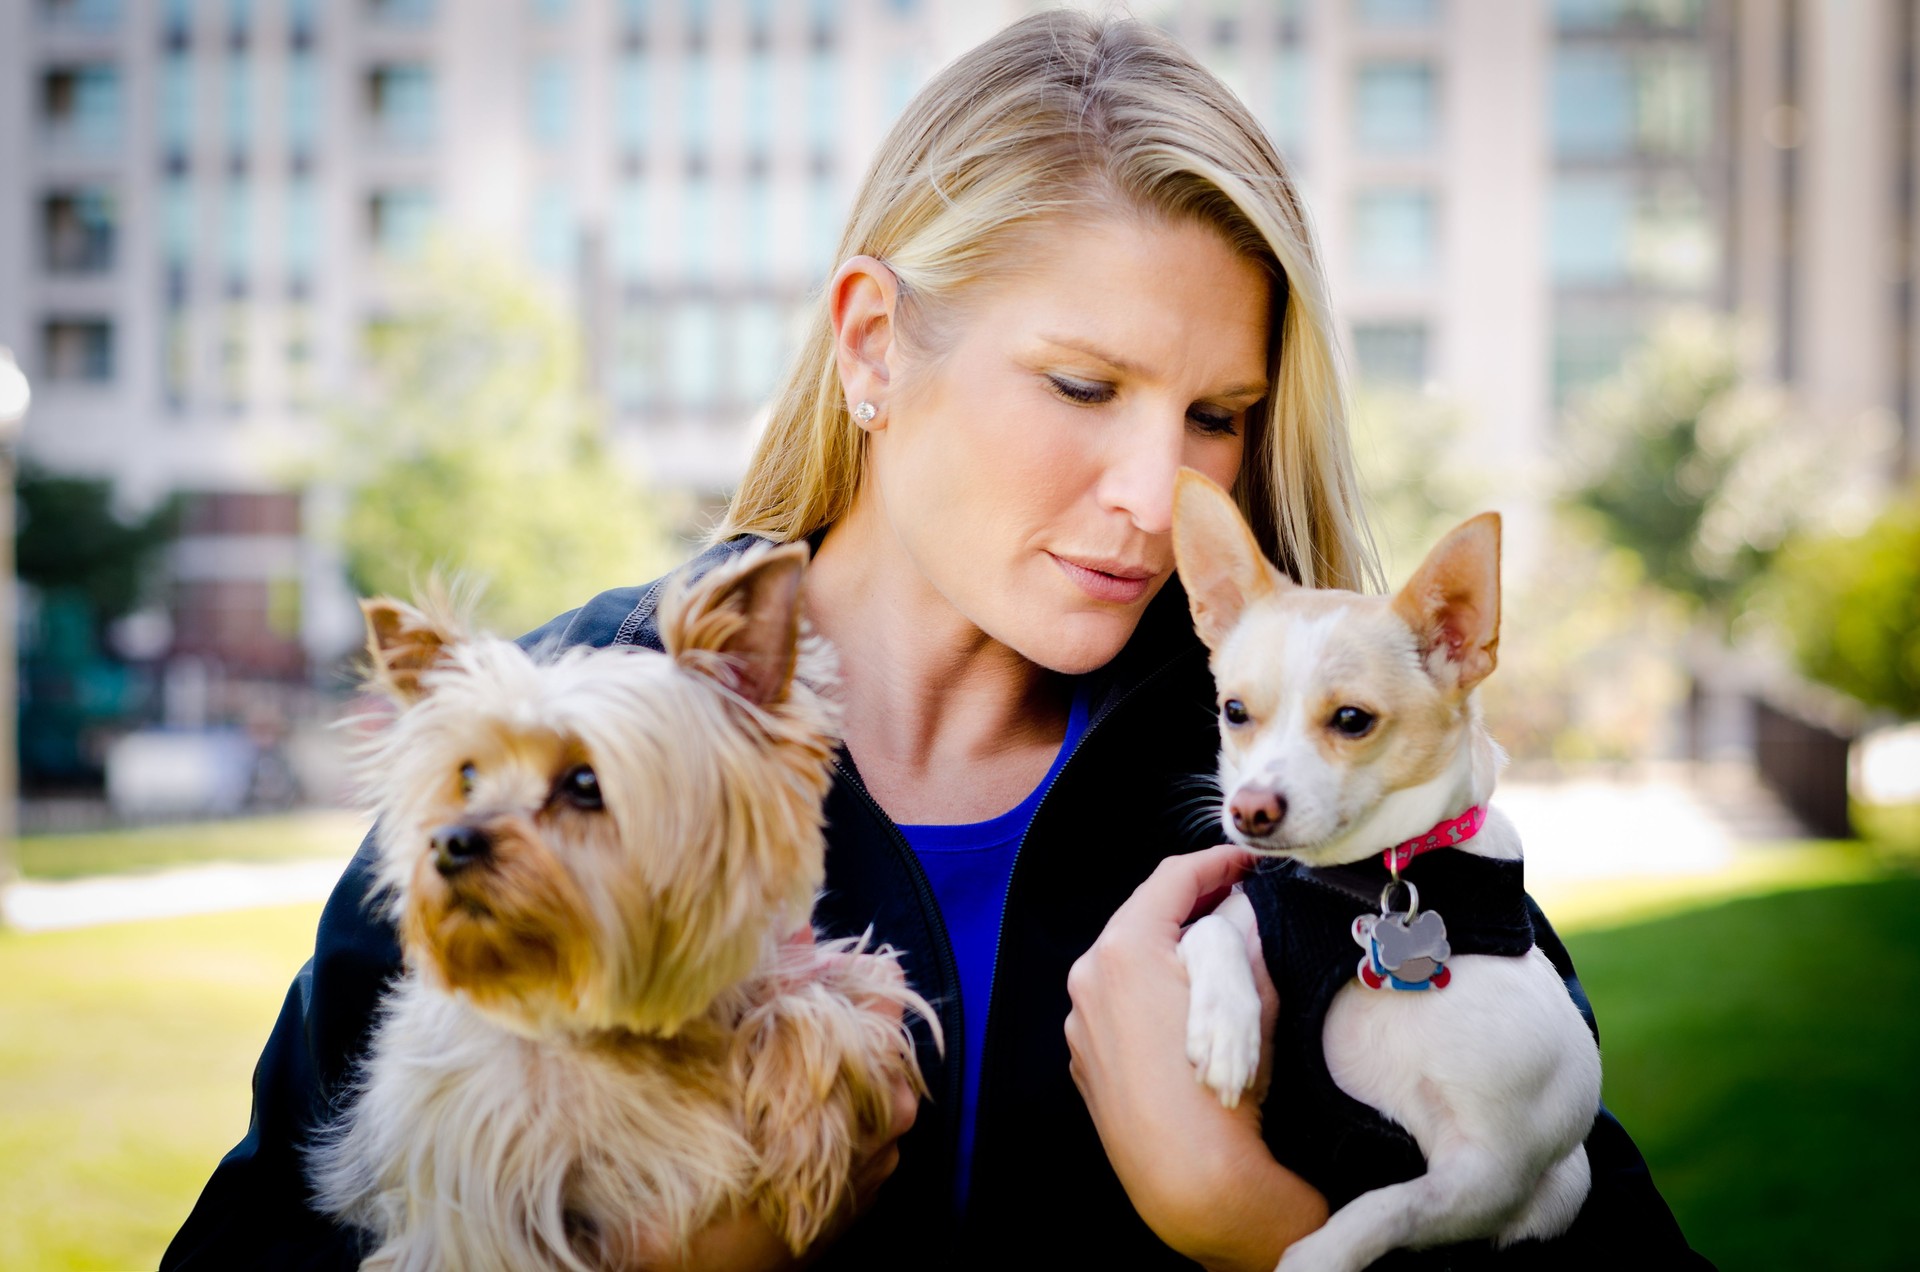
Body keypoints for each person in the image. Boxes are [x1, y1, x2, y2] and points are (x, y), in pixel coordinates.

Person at [165, 11, 1703, 1270]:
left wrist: (1257, 1229)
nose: (1158, 491)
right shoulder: (550, 747)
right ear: (873, 345)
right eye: (1085, 387)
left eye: (1217, 416)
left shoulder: (1319, 792)